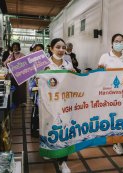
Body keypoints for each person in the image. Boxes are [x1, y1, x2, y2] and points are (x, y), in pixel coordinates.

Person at [98, 33, 123, 155]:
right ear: (112, 43)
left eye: (121, 41)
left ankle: (117, 143)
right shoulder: (105, 57)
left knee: (119, 117)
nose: (118, 43)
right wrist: (100, 70)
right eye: (116, 41)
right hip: (107, 93)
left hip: (121, 93)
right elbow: (98, 75)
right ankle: (103, 137)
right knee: (107, 116)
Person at [43, 38, 74, 173]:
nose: (61, 50)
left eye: (63, 47)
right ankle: (49, 150)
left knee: (63, 130)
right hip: (47, 103)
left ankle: (63, 162)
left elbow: (75, 81)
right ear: (51, 48)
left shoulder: (68, 64)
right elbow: (35, 81)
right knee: (49, 128)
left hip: (64, 103)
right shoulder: (44, 64)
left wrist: (75, 75)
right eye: (58, 47)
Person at [3, 42, 27, 106]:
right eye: (14, 47)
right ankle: (14, 101)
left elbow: (26, 63)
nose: (15, 48)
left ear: (19, 47)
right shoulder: (10, 55)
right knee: (12, 88)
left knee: (21, 89)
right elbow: (5, 64)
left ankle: (22, 102)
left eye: (16, 46)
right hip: (12, 75)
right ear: (12, 48)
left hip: (21, 75)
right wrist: (8, 61)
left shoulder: (22, 55)